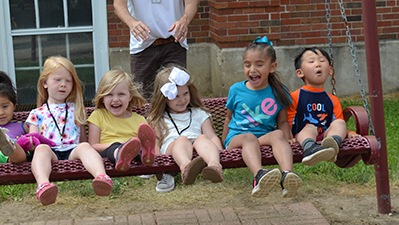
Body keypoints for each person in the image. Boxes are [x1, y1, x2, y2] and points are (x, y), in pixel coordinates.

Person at [26, 57, 113, 206]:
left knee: (85, 147)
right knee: (41, 148)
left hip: (72, 150)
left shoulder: (76, 109)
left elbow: (83, 139)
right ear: (45, 83)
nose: (63, 85)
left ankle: (101, 177)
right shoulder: (37, 113)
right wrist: (31, 143)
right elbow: (33, 142)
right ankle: (43, 185)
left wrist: (84, 148)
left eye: (68, 81)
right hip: (51, 153)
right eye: (58, 79)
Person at [222, 36, 302, 198]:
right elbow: (228, 118)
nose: (252, 70)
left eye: (259, 64)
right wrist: (222, 145)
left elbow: (282, 121)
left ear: (272, 67)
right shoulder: (236, 90)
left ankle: (287, 176)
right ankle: (259, 176)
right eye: (247, 65)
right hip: (237, 139)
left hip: (261, 138)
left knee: (278, 134)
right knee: (249, 137)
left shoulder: (277, 92)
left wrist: (287, 137)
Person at [147, 66, 223, 192]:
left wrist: (220, 152)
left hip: (198, 147)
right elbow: (155, 143)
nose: (182, 100)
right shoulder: (158, 118)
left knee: (203, 138)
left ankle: (214, 166)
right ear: (164, 98)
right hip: (172, 149)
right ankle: (186, 168)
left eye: (185, 94)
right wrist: (158, 165)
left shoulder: (199, 113)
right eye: (176, 96)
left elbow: (211, 136)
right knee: (182, 140)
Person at [288, 47, 360, 166]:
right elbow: (288, 121)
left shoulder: (332, 100)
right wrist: (289, 137)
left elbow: (336, 122)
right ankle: (310, 148)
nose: (318, 64)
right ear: (300, 73)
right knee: (310, 127)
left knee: (340, 123)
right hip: (303, 136)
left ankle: (333, 145)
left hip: (325, 136)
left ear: (330, 70)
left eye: (322, 61)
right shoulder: (295, 97)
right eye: (311, 62)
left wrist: (348, 133)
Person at [88, 69, 156, 172]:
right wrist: (118, 144)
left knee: (138, 147)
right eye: (109, 95)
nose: (115, 99)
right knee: (114, 148)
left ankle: (145, 156)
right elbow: (93, 146)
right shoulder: (98, 115)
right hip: (108, 152)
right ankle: (120, 154)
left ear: (130, 97)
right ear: (102, 98)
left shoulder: (139, 120)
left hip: (134, 151)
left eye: (121, 94)